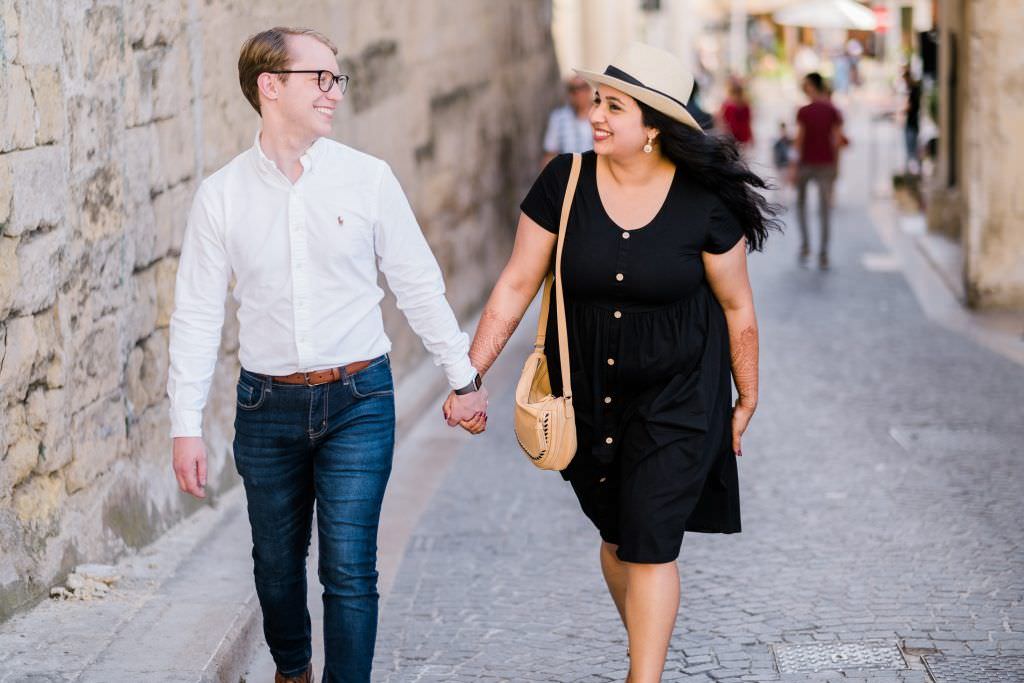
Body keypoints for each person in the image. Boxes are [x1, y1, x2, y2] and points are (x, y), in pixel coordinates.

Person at [167, 27, 488, 683]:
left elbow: (417, 283)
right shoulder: (221, 197)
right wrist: (184, 423)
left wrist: (463, 376)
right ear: (270, 86)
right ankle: (292, 666)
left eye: (336, 79)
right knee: (276, 566)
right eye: (321, 78)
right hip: (267, 407)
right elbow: (197, 313)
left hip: (358, 400)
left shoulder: (367, 180)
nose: (334, 92)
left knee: (348, 563)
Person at [450, 43, 778, 682]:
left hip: (678, 393)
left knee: (652, 541)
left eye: (614, 107)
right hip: (587, 392)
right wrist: (471, 374)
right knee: (619, 537)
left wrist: (747, 395)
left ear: (654, 126)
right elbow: (517, 283)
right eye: (598, 101)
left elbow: (738, 308)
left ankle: (643, 677)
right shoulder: (563, 182)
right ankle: (645, 650)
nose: (596, 115)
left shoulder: (703, 205)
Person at [790, 71, 844, 270]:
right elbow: (838, 141)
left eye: (805, 85)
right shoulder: (833, 110)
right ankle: (823, 253)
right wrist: (836, 166)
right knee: (824, 210)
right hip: (826, 164)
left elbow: (799, 141)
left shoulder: (804, 111)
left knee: (801, 205)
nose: (803, 88)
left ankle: (806, 246)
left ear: (812, 86)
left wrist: (793, 167)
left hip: (806, 164)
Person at [541, 75, 595, 166]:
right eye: (573, 89)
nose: (579, 93)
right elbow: (550, 153)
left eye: (582, 87)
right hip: (567, 174)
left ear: (589, 90)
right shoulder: (558, 117)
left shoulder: (599, 116)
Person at [718, 78, 753, 152]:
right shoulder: (730, 106)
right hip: (738, 135)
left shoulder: (728, 106)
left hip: (736, 135)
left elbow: (722, 121)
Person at [903, 67, 922, 175]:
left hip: (912, 123)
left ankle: (913, 172)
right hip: (912, 122)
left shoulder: (913, 90)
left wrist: (903, 109)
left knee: (911, 149)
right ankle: (913, 171)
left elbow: (911, 107)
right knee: (912, 149)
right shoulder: (914, 89)